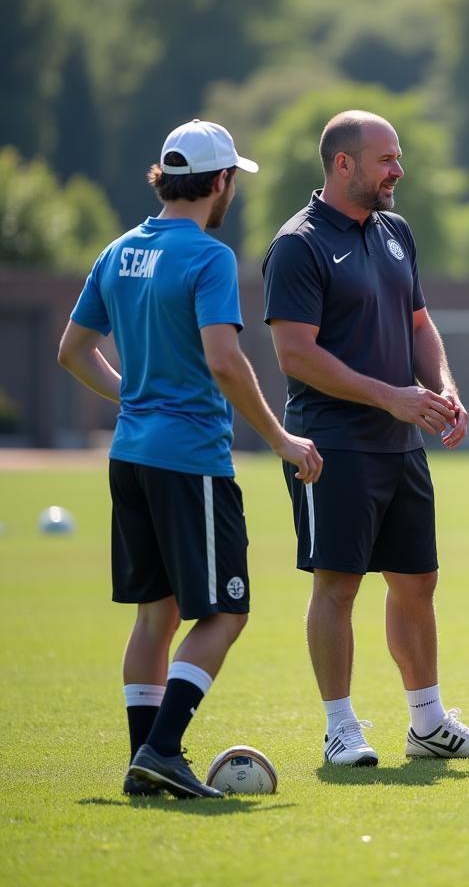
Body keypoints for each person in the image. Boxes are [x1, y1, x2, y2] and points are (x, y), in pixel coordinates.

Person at [58, 119, 323, 799]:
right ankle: (164, 748)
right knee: (225, 613)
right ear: (221, 181)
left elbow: (72, 350)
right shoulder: (208, 257)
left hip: (131, 455)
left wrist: (134, 397)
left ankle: (144, 761)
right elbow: (224, 361)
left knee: (156, 614)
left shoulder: (117, 252)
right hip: (190, 462)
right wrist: (282, 440)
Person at [262, 109, 469, 768]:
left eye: (398, 157)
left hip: (401, 444)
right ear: (343, 165)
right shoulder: (298, 244)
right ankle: (341, 729)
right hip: (331, 446)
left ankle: (428, 724)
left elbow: (420, 324)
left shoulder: (396, 231)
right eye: (386, 159)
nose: (398, 169)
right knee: (337, 585)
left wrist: (444, 387)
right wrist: (390, 396)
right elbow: (294, 354)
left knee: (417, 581)